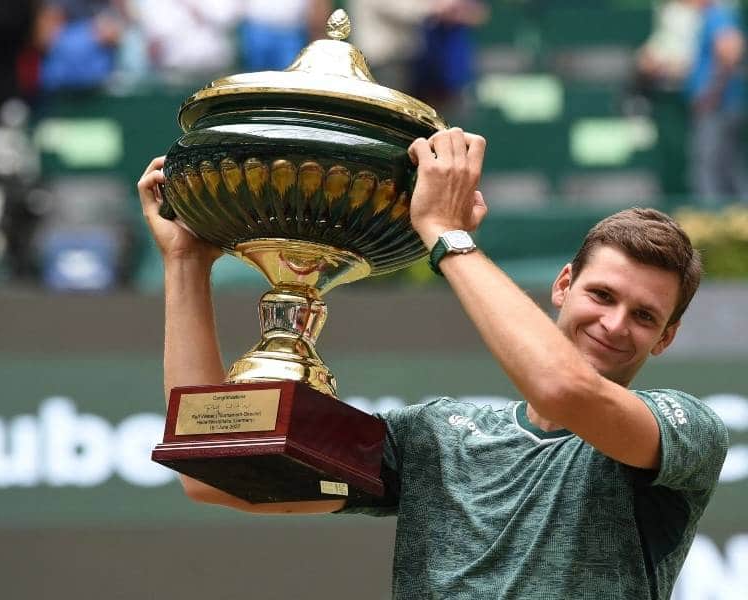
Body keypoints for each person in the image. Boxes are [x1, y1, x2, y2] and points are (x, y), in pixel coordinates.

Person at [137, 127, 728, 599]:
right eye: (601, 296)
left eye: (645, 317)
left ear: (667, 338)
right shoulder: (438, 436)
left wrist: (447, 235)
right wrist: (186, 262)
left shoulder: (686, 430)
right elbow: (212, 468)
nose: (615, 324)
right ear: (563, 285)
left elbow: (562, 391)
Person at [684, 0, 748, 203]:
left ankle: (714, 222)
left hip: (719, 107)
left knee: (712, 166)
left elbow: (731, 49)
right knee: (725, 165)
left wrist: (712, 94)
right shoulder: (713, 15)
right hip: (722, 106)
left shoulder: (717, 14)